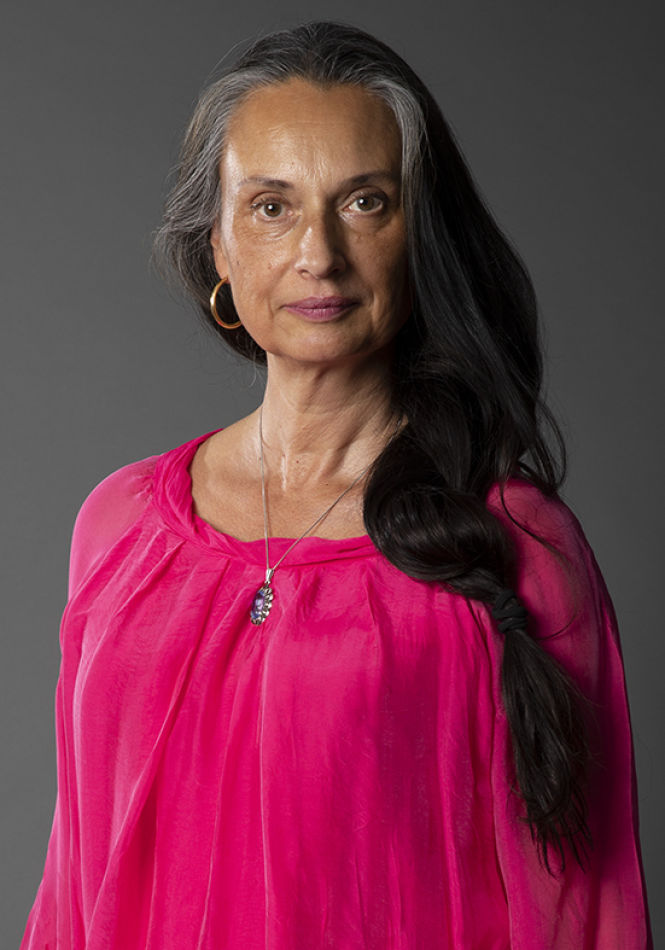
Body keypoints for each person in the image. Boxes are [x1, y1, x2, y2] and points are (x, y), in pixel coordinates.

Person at [21, 19, 652, 949]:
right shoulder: (119, 527)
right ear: (217, 248)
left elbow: (584, 913)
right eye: (270, 207)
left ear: (418, 236)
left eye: (364, 202)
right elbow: (75, 880)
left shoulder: (517, 545)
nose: (318, 253)